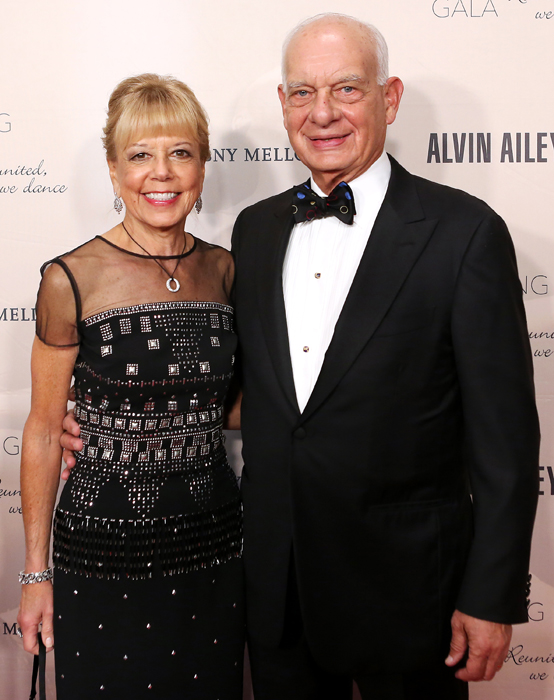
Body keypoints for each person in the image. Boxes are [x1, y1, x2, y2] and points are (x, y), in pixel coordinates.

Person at [61, 14, 540, 700]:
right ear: (283, 104)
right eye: (303, 93)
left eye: (347, 88)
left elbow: (505, 441)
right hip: (278, 593)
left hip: (410, 595)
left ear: (389, 98)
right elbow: (244, 394)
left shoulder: (465, 233)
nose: (323, 113)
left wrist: (491, 595)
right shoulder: (255, 231)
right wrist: (114, 420)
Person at [18, 74, 244, 700]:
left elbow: (226, 406)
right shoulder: (71, 277)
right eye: (140, 154)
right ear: (114, 171)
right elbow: (43, 430)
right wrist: (36, 573)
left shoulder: (224, 268)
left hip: (212, 540)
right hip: (103, 544)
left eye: (180, 152)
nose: (161, 173)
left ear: (202, 166)